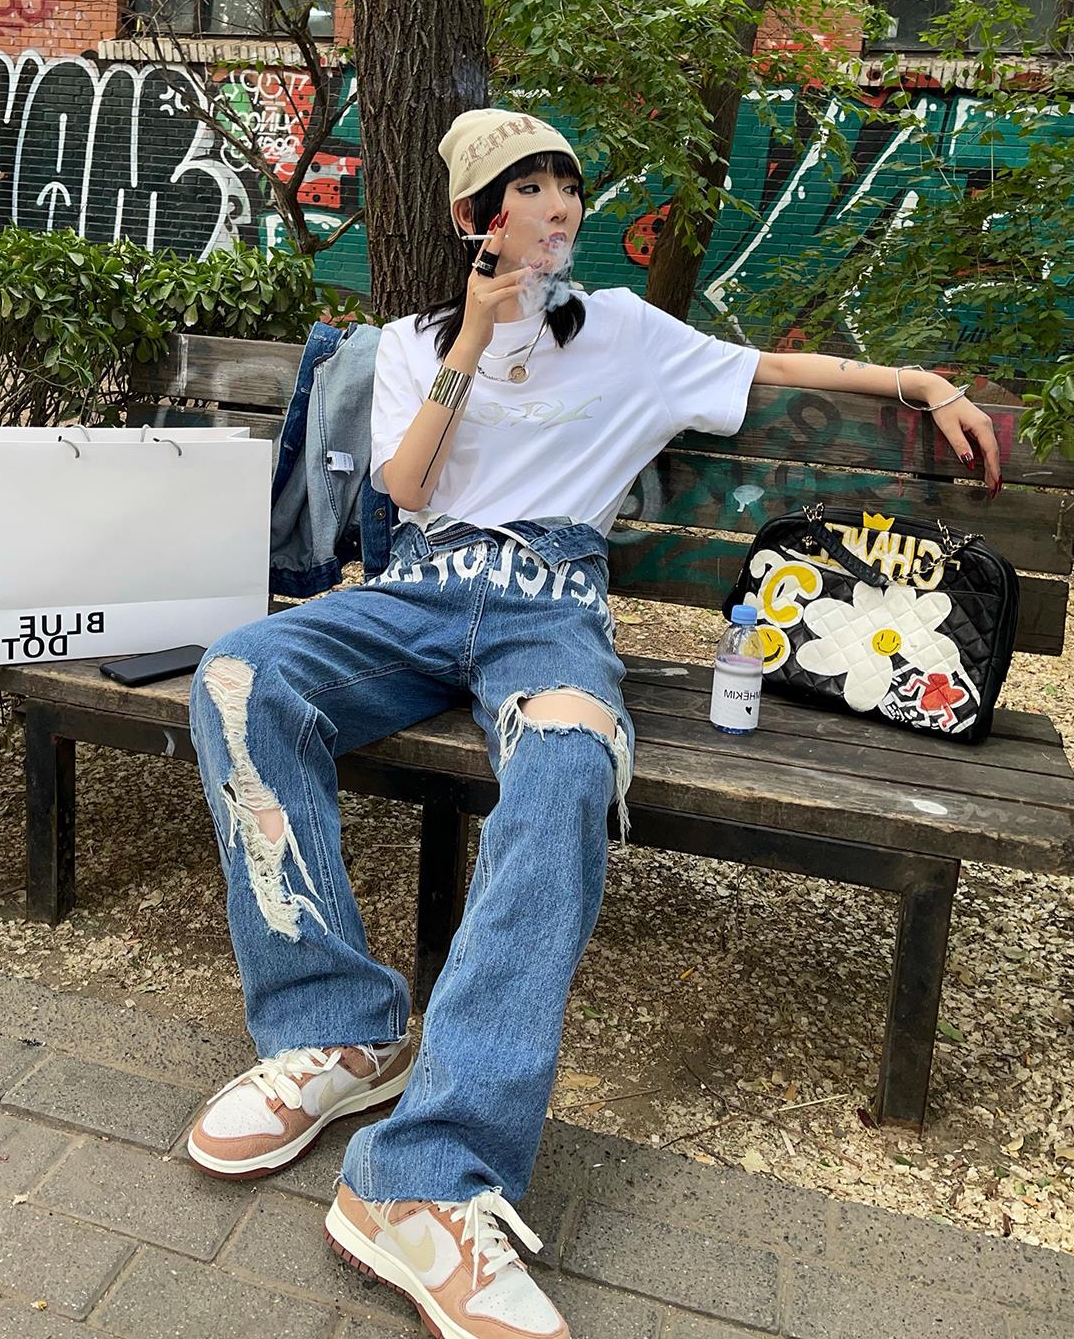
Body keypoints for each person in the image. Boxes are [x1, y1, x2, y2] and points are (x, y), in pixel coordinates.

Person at [185, 109, 1000, 1339]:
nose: (555, 201)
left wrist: (920, 382)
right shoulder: (410, 344)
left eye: (564, 178)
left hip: (549, 607)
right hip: (418, 590)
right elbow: (405, 489)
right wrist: (472, 338)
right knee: (241, 676)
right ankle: (338, 1030)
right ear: (475, 217)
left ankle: (427, 1175)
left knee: (568, 763)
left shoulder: (623, 330)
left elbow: (772, 373)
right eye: (524, 185)